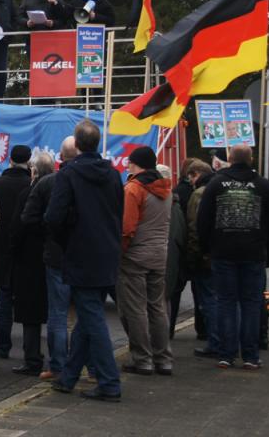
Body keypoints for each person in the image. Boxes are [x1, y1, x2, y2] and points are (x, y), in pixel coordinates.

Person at [46, 120, 123, 402]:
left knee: (92, 318)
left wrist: (67, 240)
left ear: (76, 145)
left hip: (81, 252)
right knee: (87, 317)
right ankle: (68, 376)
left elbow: (54, 217)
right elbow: (119, 211)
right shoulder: (114, 175)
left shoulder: (70, 174)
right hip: (108, 252)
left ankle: (109, 382)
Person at [197, 145, 269, 370]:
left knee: (226, 302)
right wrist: (267, 249)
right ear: (251, 159)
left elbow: (203, 220)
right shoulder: (264, 186)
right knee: (251, 303)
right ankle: (250, 356)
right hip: (253, 253)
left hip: (223, 252)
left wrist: (206, 248)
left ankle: (226, 354)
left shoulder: (216, 184)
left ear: (229, 159)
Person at [22, 136, 77, 380]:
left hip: (56, 254)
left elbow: (29, 218)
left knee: (58, 313)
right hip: (88, 254)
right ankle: (94, 367)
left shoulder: (48, 183)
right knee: (88, 313)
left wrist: (49, 233)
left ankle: (59, 366)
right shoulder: (102, 179)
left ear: (61, 157)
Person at [116, 146, 173, 376]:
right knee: (157, 308)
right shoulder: (166, 189)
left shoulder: (133, 189)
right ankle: (164, 358)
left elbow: (126, 228)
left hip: (135, 256)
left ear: (135, 164)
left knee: (135, 309)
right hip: (159, 255)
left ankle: (143, 359)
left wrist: (120, 252)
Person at [10, 153, 55, 377]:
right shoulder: (60, 191)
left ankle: (32, 359)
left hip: (29, 260)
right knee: (57, 313)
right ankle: (57, 359)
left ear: (34, 172)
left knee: (30, 315)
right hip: (54, 257)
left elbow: (18, 229)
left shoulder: (28, 194)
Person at [0, 145, 32, 359]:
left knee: (3, 296)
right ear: (28, 161)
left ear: (10, 160)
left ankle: (3, 346)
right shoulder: (32, 185)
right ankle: (30, 348)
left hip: (1, 246)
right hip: (27, 248)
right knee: (27, 299)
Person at [185, 159, 219, 358]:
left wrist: (193, 256)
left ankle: (215, 342)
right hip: (222, 252)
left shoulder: (199, 194)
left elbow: (194, 228)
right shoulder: (220, 187)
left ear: (196, 174)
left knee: (209, 300)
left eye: (190, 177)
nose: (189, 182)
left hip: (205, 256)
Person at [160, 165, 187, 339]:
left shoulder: (170, 203)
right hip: (166, 259)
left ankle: (161, 339)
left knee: (162, 301)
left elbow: (175, 238)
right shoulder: (173, 203)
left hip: (163, 260)